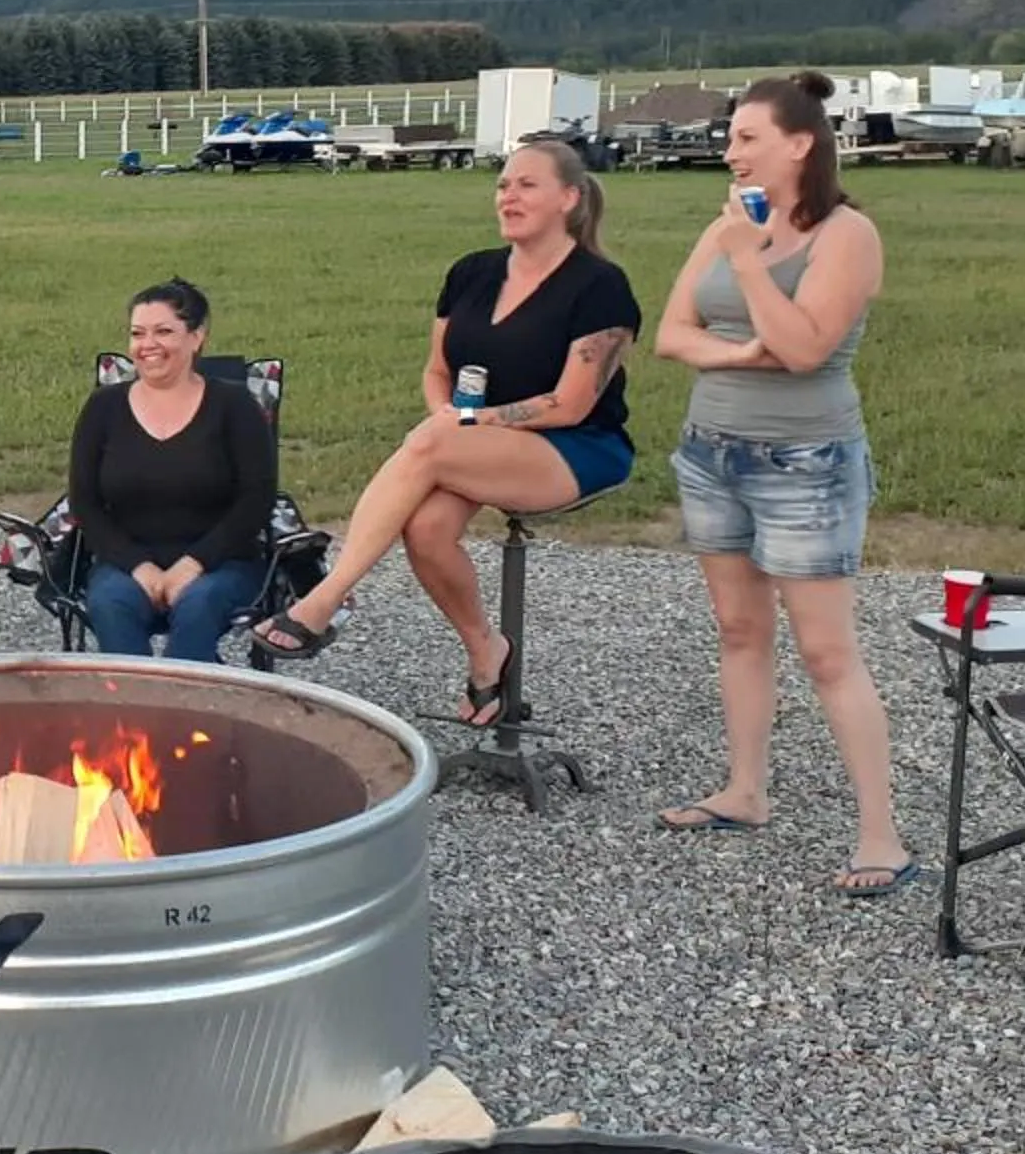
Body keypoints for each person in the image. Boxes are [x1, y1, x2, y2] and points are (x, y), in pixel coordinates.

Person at [254, 141, 642, 723]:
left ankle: (326, 598)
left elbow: (568, 404)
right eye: (502, 185)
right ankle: (487, 652)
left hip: (575, 445)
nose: (508, 196)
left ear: (569, 197)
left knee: (430, 443)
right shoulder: (471, 273)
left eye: (526, 185)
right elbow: (439, 371)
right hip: (471, 440)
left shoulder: (600, 285)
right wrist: (448, 414)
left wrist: (459, 423)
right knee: (428, 528)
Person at [652, 72, 915, 898]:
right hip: (713, 450)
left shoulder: (847, 235)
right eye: (730, 139)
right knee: (738, 628)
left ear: (801, 144)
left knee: (828, 651)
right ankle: (745, 789)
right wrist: (733, 354)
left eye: (747, 139)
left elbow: (803, 349)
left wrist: (748, 264)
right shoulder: (728, 223)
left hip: (806, 464)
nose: (730, 153)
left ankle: (882, 836)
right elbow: (669, 334)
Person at [63, 280, 276, 664]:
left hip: (222, 562)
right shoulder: (104, 407)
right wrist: (138, 566)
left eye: (163, 331)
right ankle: (130, 717)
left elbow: (256, 501)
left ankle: (192, 714)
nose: (148, 345)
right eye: (137, 333)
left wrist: (192, 565)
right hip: (126, 562)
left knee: (199, 605)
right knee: (112, 602)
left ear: (196, 337)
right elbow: (85, 502)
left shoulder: (235, 404)